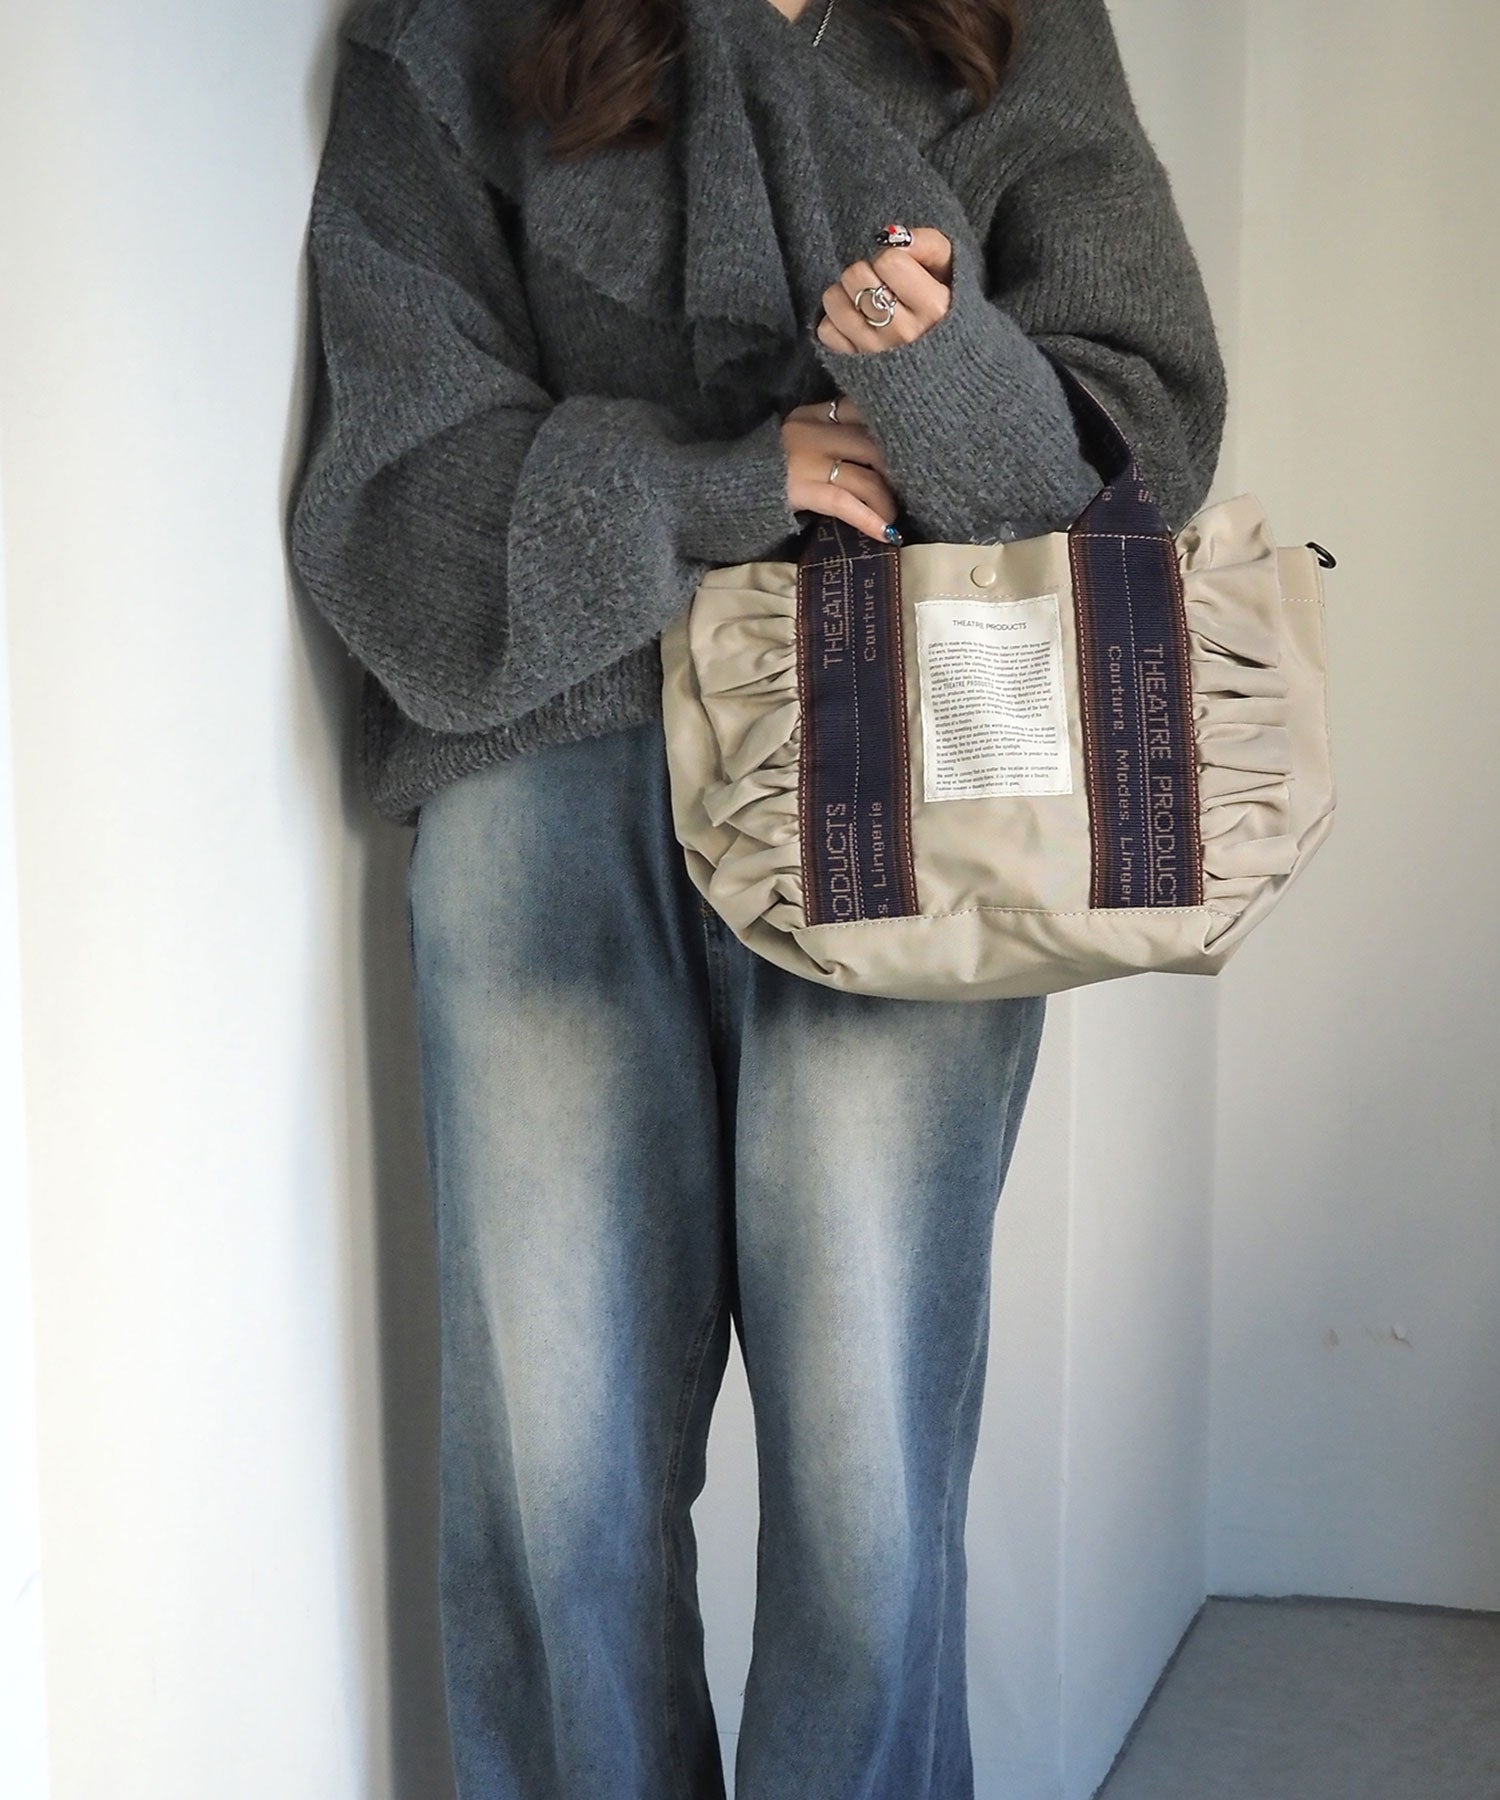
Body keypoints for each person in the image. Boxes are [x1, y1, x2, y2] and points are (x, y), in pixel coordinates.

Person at [287, 0, 1226, 1792]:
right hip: (544, 774)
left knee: (870, 1490)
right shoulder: (458, 37)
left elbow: (1142, 445)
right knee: (555, 1480)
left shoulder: (1010, 29)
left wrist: (937, 362)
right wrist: (715, 482)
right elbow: (396, 486)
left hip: (910, 787)